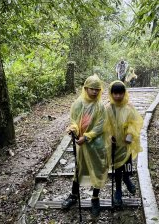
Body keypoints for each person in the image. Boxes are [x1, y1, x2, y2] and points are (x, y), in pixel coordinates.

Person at [62, 74, 109, 218]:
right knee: (79, 168)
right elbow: (75, 121)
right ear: (86, 88)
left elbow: (100, 126)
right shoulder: (78, 104)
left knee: (97, 169)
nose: (94, 92)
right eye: (92, 89)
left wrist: (87, 137)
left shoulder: (100, 106)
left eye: (97, 89)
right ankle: (74, 195)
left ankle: (95, 198)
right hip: (81, 143)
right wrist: (74, 129)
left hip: (97, 143)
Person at [106, 80, 143, 208]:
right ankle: (118, 191)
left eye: (120, 93)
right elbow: (105, 125)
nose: (117, 96)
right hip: (115, 144)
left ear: (124, 93)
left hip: (126, 143)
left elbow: (134, 122)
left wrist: (130, 134)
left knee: (127, 165)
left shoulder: (129, 107)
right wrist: (109, 135)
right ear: (111, 94)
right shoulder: (108, 108)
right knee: (117, 168)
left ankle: (127, 179)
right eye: (115, 93)